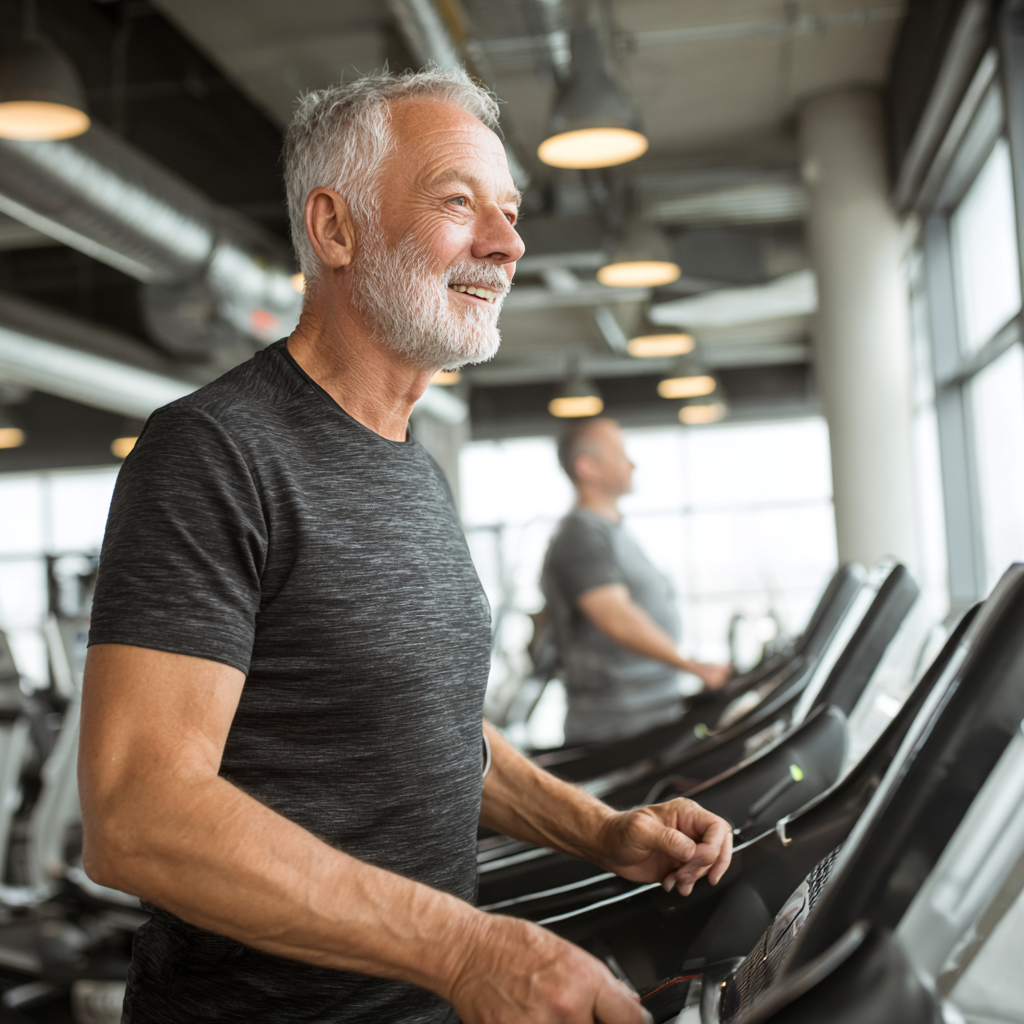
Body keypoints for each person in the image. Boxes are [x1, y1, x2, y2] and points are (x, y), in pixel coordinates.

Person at [78, 69, 732, 1024]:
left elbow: (426, 729)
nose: (506, 245)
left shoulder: (410, 463)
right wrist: (468, 952)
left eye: (509, 213)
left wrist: (603, 831)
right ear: (336, 230)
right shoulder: (214, 453)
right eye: (459, 203)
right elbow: (137, 814)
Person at [543, 418, 731, 745]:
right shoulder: (582, 535)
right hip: (619, 726)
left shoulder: (609, 531)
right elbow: (615, 617)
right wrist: (692, 666)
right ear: (588, 467)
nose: (632, 463)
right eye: (619, 454)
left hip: (653, 712)